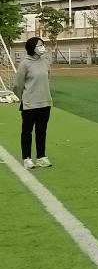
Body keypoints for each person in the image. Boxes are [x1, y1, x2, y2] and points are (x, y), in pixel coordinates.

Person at [14, 37, 53, 170]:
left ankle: (41, 157)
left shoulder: (45, 61)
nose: (42, 47)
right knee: (27, 131)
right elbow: (18, 85)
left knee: (41, 131)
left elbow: (47, 78)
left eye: (43, 45)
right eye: (40, 45)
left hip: (45, 102)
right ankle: (27, 158)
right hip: (29, 103)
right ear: (32, 48)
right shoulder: (25, 64)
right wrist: (23, 98)